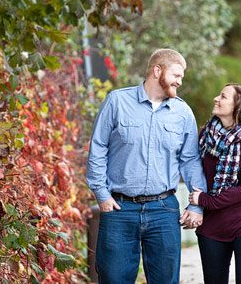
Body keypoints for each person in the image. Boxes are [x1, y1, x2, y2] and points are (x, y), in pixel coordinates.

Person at [87, 49, 208, 283]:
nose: (179, 81)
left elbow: (190, 161)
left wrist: (197, 205)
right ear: (157, 70)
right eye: (176, 75)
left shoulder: (182, 112)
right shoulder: (117, 101)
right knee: (113, 279)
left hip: (164, 210)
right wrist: (101, 194)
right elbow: (98, 148)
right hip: (119, 209)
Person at [189, 84, 241, 283]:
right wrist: (195, 206)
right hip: (212, 226)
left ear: (236, 106)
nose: (216, 98)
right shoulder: (205, 135)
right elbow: (194, 171)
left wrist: (205, 200)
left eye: (223, 96)